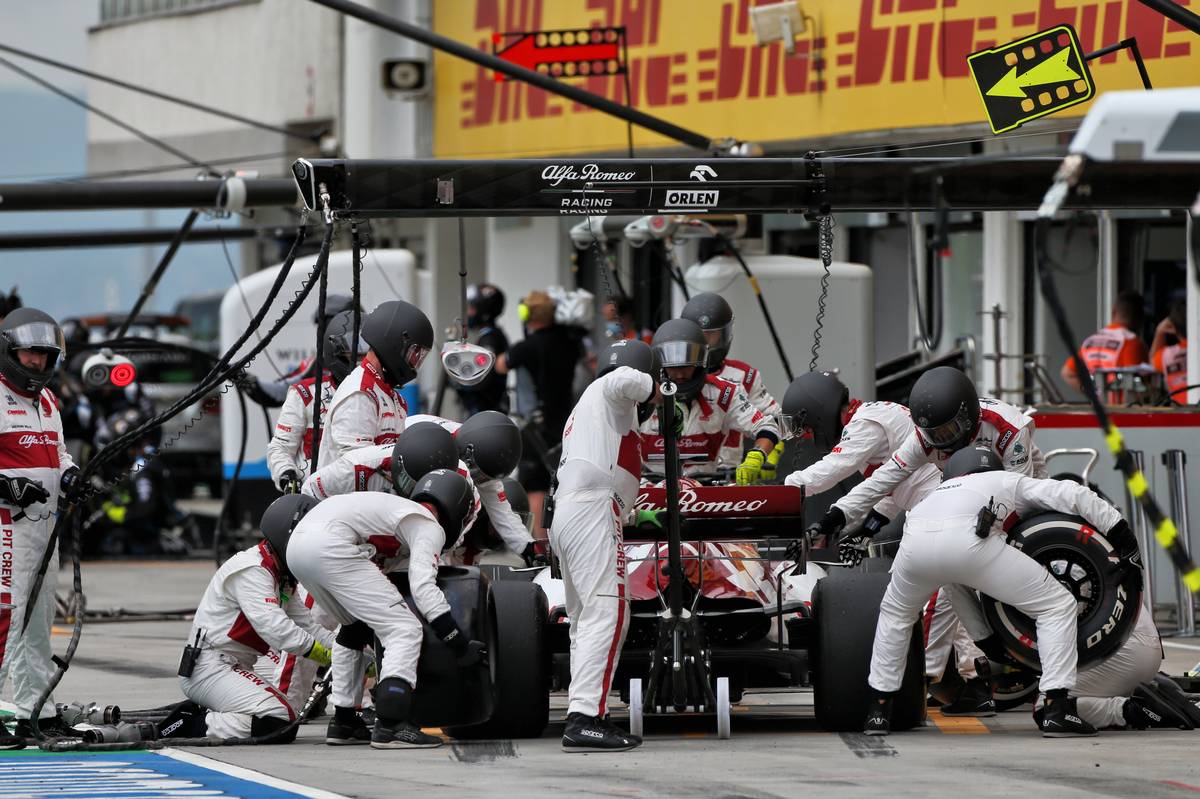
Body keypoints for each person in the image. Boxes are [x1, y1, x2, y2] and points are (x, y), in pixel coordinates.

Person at [864, 446, 1130, 738]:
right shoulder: (1004, 479)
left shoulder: (933, 495)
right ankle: (1057, 708)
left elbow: (954, 582)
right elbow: (1073, 494)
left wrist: (984, 637)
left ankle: (878, 712)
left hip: (914, 549)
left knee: (895, 616)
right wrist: (1122, 536)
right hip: (970, 545)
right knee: (1057, 604)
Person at [777, 373, 992, 709]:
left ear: (817, 410)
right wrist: (864, 531)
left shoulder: (866, 423)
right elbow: (892, 487)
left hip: (940, 512)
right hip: (937, 506)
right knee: (954, 594)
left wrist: (783, 490)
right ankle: (976, 679)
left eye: (804, 427)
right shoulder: (876, 419)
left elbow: (834, 468)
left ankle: (923, 677)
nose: (804, 436)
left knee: (932, 594)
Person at [287, 470, 483, 749]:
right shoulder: (427, 523)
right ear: (458, 509)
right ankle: (392, 725)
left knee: (353, 629)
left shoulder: (397, 509)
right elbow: (424, 589)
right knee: (403, 628)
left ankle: (344, 721)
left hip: (298, 545)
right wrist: (459, 644)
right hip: (330, 544)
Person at [552, 338, 661, 752]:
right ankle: (585, 719)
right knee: (609, 610)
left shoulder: (594, 412)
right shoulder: (612, 391)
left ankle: (584, 712)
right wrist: (660, 392)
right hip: (592, 510)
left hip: (579, 511)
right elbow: (623, 379)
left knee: (584, 619)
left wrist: (637, 513)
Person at [808, 366, 1048, 540]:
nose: (941, 441)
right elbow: (882, 479)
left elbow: (1018, 492)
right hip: (974, 489)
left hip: (1023, 478)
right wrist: (837, 515)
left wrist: (983, 529)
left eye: (947, 431)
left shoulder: (1007, 430)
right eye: (935, 434)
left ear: (968, 417)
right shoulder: (923, 439)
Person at [173, 496, 333, 741]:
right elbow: (275, 629)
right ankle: (192, 725)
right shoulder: (252, 570)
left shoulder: (280, 575)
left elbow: (308, 625)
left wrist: (348, 652)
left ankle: (213, 711)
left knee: (283, 714)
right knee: (280, 720)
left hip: (233, 665)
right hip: (210, 667)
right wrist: (323, 654)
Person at [0, 308, 83, 739]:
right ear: (11, 350)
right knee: (3, 618)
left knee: (38, 621)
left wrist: (70, 475)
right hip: (5, 529)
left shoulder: (48, 401)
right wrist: (7, 486)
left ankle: (37, 709)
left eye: (45, 356)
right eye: (31, 354)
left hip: (44, 530)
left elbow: (60, 453)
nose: (37, 363)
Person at [638, 319, 780, 484]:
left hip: (708, 492)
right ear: (660, 365)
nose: (679, 374)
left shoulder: (725, 393)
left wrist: (757, 455)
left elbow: (767, 425)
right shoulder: (641, 395)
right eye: (673, 367)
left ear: (701, 362)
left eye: (686, 366)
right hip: (648, 490)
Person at [494, 290, 584, 529]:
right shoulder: (569, 341)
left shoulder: (528, 346)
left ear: (528, 314)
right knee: (562, 482)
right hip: (566, 420)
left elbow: (501, 365)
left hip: (536, 426)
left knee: (535, 485)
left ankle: (541, 545)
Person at [405, 411, 537, 564]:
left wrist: (529, 547)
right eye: (477, 473)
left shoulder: (482, 461)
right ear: (467, 451)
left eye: (485, 477)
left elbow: (502, 513)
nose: (478, 479)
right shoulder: (421, 436)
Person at [319, 300, 433, 469]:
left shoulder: (390, 396)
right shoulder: (360, 394)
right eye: (414, 353)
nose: (415, 362)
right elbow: (356, 470)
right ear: (394, 342)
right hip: (348, 495)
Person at [680, 293, 783, 474]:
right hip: (676, 473)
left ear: (724, 335)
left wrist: (768, 452)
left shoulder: (744, 375)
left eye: (711, 335)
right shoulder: (670, 378)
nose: (705, 343)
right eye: (699, 336)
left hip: (729, 474)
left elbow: (774, 419)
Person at [267, 311, 368, 491]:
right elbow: (280, 447)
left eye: (367, 350)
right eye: (354, 348)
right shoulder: (305, 393)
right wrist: (287, 474)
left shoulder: (386, 397)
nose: (360, 357)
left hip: (360, 499)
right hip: (312, 496)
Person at [1061, 290, 1149, 400]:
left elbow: (1067, 373)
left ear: (1113, 312)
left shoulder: (1091, 341)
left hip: (1098, 413)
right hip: (1123, 414)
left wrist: (1091, 392)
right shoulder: (1132, 342)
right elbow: (1143, 386)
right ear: (1140, 317)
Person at [454, 283, 510, 416]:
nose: (468, 313)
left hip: (485, 412)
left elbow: (480, 379)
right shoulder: (489, 335)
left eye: (471, 308)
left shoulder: (490, 339)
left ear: (483, 311)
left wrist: (458, 380)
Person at [1151, 299, 1188, 403]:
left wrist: (1159, 332)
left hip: (1179, 411)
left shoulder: (1167, 355)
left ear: (1173, 327)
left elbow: (1152, 362)